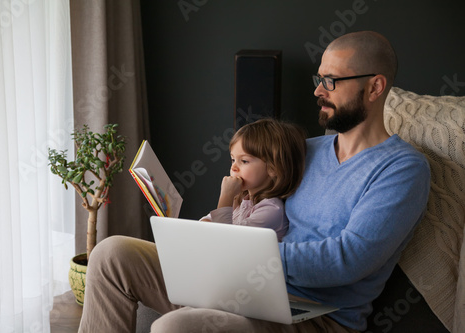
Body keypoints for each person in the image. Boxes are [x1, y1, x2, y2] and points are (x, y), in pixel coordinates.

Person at [77, 31, 431, 333]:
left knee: (174, 327)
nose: (318, 91)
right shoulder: (304, 151)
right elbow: (251, 208)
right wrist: (217, 226)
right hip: (243, 283)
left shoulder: (402, 169)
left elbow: (348, 259)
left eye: (331, 81)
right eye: (318, 79)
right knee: (111, 254)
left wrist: (242, 256)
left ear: (375, 87)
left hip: (316, 317)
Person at [200, 118, 307, 241]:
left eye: (244, 161)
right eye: (233, 159)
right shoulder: (240, 198)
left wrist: (226, 196)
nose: (233, 167)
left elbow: (225, 240)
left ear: (273, 168)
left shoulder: (271, 210)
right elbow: (207, 221)